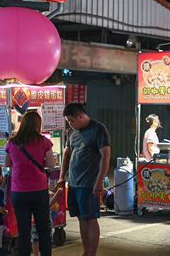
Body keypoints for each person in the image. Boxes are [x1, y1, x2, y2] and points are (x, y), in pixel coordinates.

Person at [58, 103, 111, 256]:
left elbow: (105, 156)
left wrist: (99, 182)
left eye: (70, 120)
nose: (70, 124)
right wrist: (62, 176)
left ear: (80, 116)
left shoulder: (98, 129)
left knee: (90, 218)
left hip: (89, 184)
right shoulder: (72, 133)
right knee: (81, 217)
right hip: (74, 183)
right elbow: (67, 154)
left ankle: (92, 253)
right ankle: (86, 251)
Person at [4, 111, 55, 256]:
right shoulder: (44, 141)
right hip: (39, 191)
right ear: (38, 125)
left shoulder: (12, 142)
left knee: (24, 231)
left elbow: (7, 163)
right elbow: (51, 164)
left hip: (19, 193)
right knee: (43, 229)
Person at [31, 188, 62, 256]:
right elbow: (50, 203)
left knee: (35, 239)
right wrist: (58, 193)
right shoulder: (43, 193)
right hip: (43, 220)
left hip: (35, 220)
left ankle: (36, 254)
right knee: (44, 239)